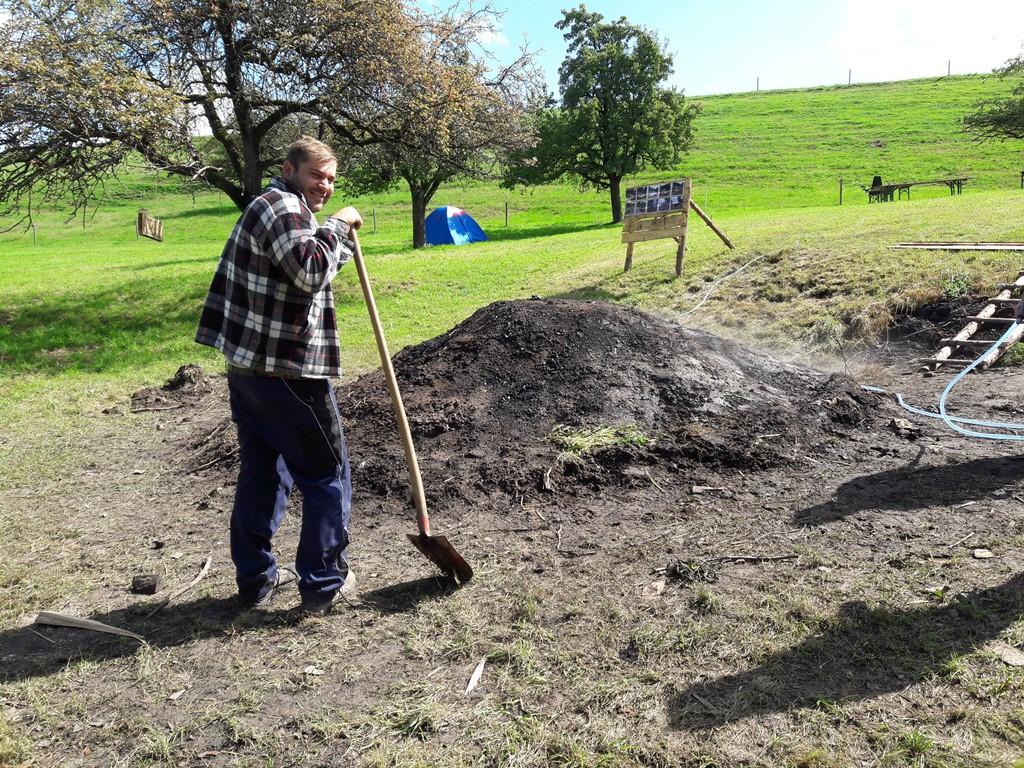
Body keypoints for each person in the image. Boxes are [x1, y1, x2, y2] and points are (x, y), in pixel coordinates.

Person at [195, 136, 362, 615]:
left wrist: (334, 233)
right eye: (316, 175)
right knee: (326, 473)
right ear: (289, 169)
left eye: (331, 179)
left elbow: (305, 268)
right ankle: (324, 584)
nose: (325, 185)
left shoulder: (285, 208)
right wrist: (340, 224)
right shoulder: (280, 205)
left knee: (265, 471)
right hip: (286, 371)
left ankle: (256, 580)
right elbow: (310, 271)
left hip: (253, 369)